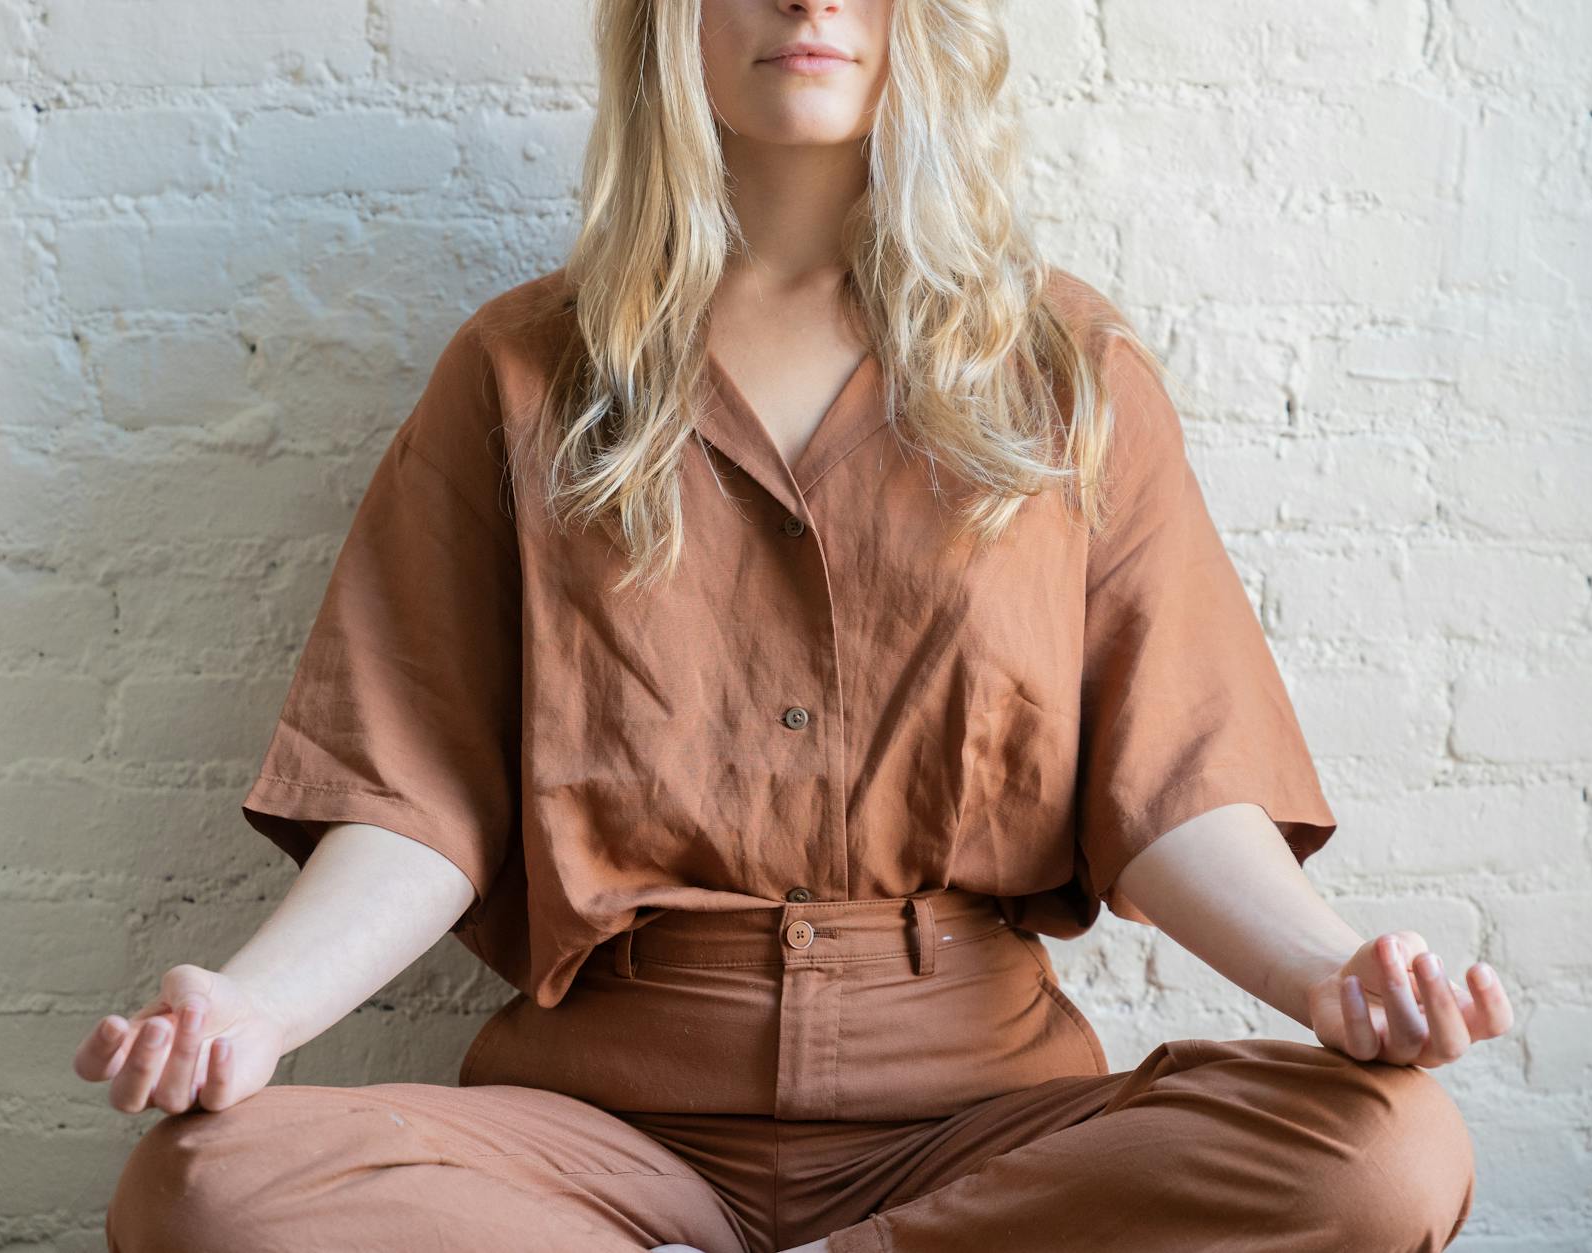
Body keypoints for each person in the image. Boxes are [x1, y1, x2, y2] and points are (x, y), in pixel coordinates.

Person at [77, 1, 1514, 1249]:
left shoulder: (1068, 374)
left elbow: (1178, 787)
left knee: (1390, 1152)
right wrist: (253, 1010)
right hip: (602, 1144)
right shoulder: (520, 374)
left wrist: (1329, 974)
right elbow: (416, 798)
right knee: (203, 1186)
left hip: (985, 1140)